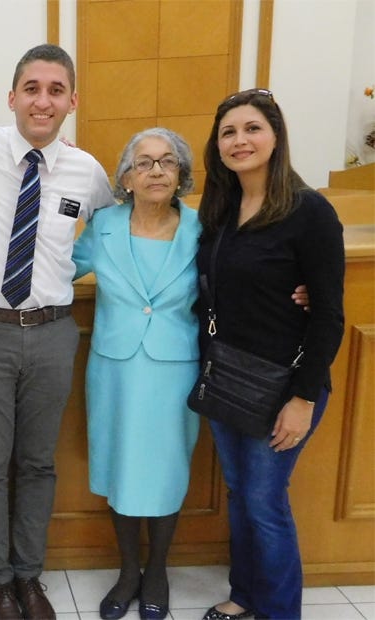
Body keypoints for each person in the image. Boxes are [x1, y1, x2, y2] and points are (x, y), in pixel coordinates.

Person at [0, 44, 115, 619]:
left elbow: (120, 227)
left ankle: (30, 577)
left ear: (72, 101)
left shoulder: (87, 171)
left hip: (54, 334)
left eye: (56, 90)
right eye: (32, 87)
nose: (43, 99)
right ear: (12, 96)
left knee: (38, 463)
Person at [195, 89, 344, 620]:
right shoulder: (221, 210)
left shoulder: (309, 212)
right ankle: (245, 597)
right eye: (229, 132)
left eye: (252, 128)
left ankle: (280, 612)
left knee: (265, 502)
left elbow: (329, 315)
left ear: (276, 137)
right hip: (229, 376)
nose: (240, 141)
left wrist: (303, 398)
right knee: (240, 495)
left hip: (284, 385)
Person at [72, 128, 201, 620]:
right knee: (121, 467)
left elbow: (238, 278)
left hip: (175, 371)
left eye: (167, 162)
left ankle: (158, 570)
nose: (155, 171)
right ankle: (128, 571)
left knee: (167, 470)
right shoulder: (103, 225)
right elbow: (60, 269)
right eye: (144, 162)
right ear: (125, 176)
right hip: (115, 370)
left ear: (181, 175)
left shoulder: (202, 228)